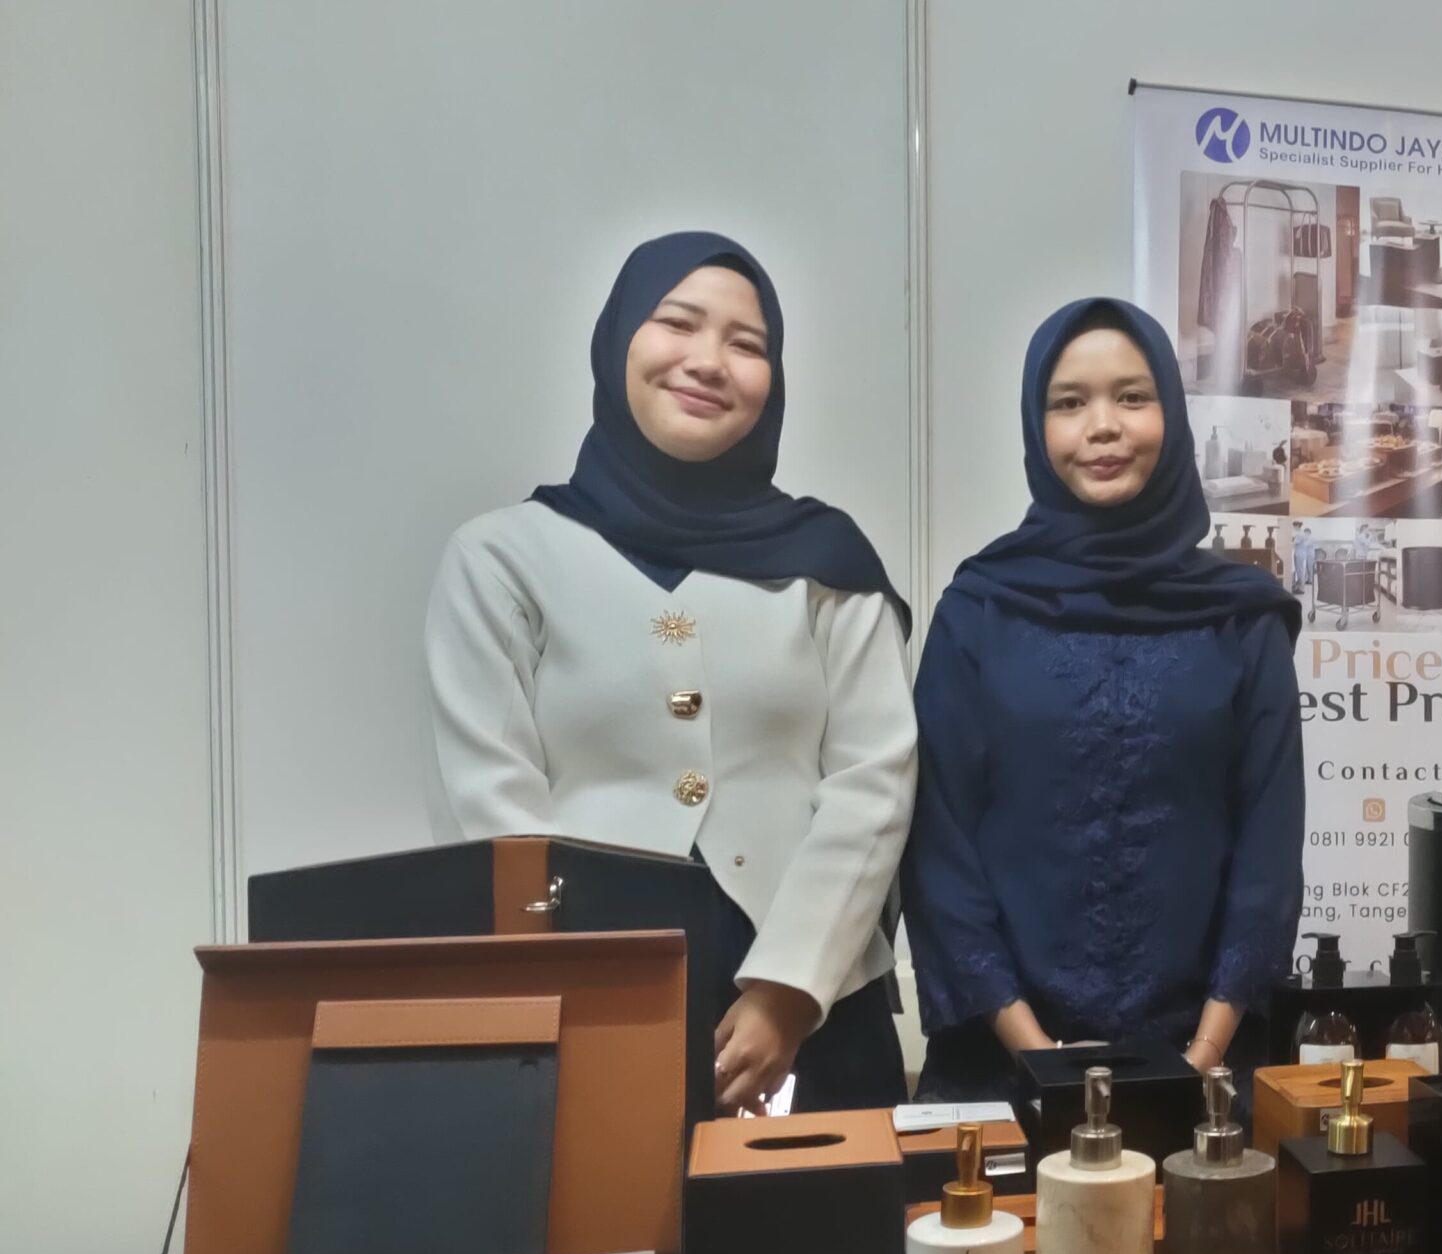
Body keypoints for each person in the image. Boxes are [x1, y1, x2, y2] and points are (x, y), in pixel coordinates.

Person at [426, 232, 917, 1120]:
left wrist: (788, 990)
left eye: (746, 344)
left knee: (826, 1215)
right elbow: (493, 802)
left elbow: (875, 781)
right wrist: (575, 996)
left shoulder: (829, 561)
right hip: (589, 1008)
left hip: (818, 1011)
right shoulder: (502, 559)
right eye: (677, 323)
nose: (708, 361)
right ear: (619, 342)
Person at [904, 297, 1306, 1101]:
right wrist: (1038, 1058)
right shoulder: (978, 611)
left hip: (1206, 1073)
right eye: (1069, 403)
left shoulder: (1241, 617)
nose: (1102, 427)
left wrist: (1200, 1057)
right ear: (1036, 425)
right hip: (1004, 1068)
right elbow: (940, 846)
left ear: (1172, 415)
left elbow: (1268, 846)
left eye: (1132, 397)